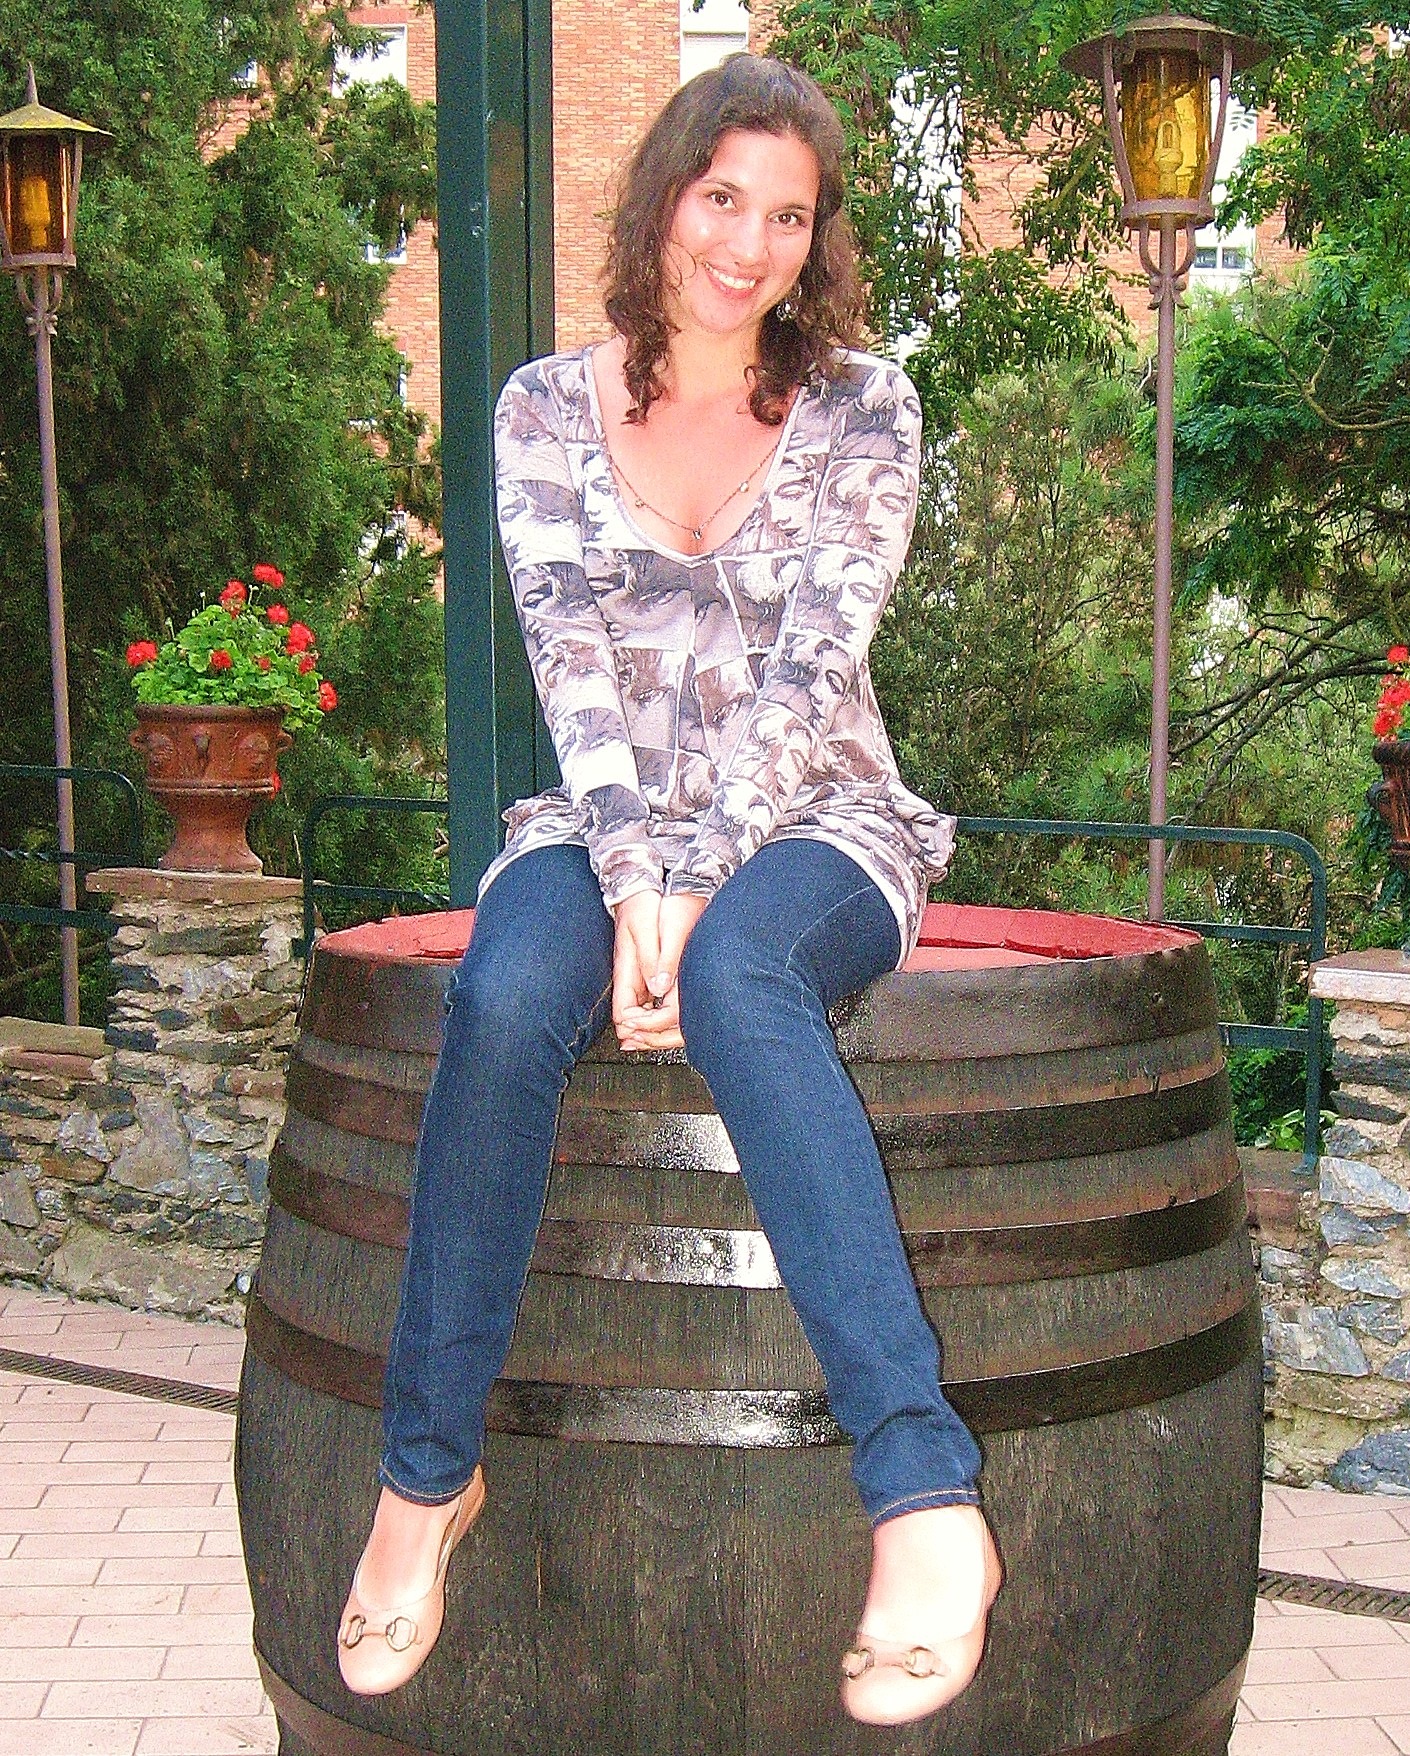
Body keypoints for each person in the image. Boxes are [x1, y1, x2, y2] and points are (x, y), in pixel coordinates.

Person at [336, 52, 1001, 1728]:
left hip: (819, 816)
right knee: (504, 997)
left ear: (815, 240)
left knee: (735, 978)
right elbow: (568, 669)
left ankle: (922, 1496)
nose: (748, 245)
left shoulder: (863, 407)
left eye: (788, 216)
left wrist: (692, 895)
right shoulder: (540, 409)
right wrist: (635, 873)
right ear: (663, 200)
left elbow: (812, 667)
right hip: (600, 812)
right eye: (723, 199)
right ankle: (424, 1478)